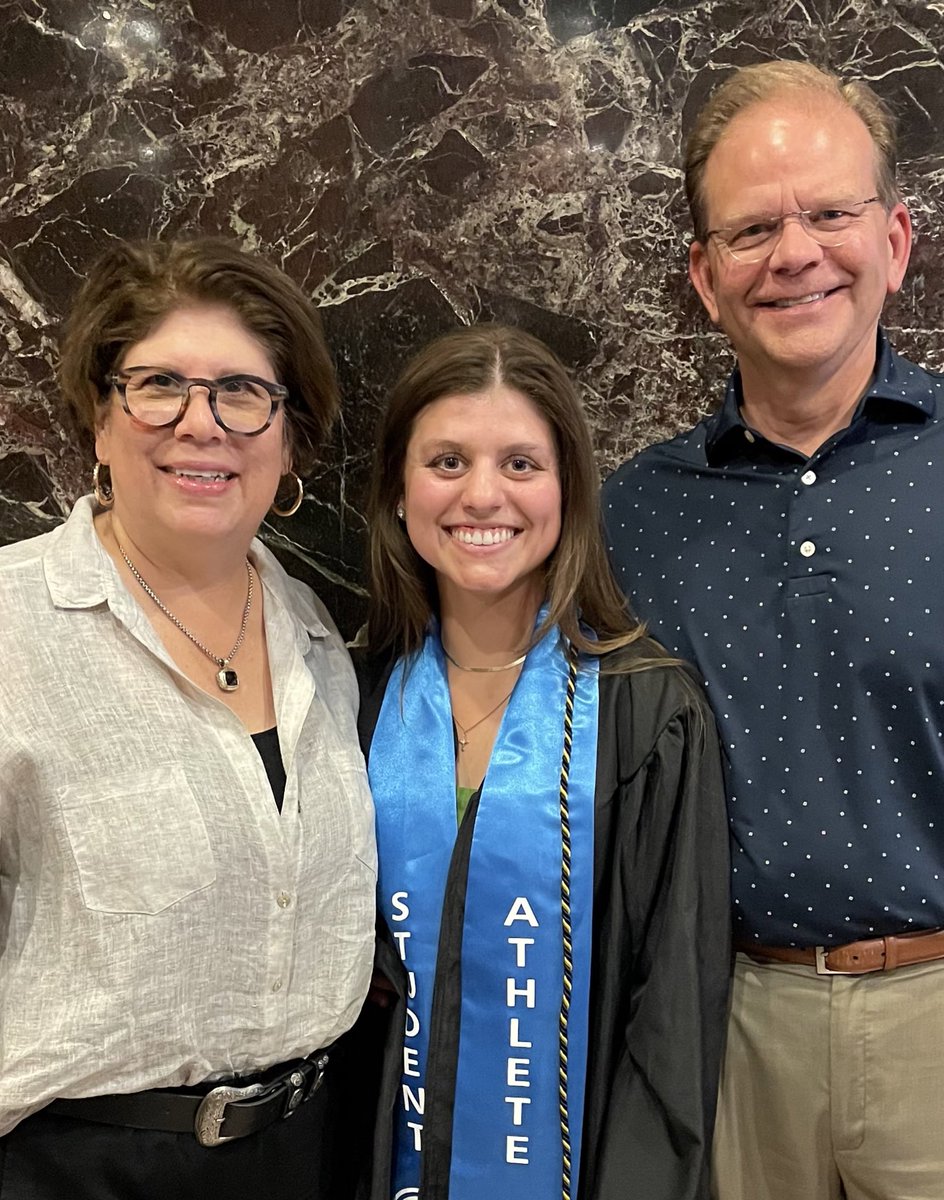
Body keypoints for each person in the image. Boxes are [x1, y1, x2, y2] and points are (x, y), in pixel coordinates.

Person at [603, 59, 944, 1200]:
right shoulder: (629, 516)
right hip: (728, 1032)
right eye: (750, 228)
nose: (794, 252)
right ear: (702, 273)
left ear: (895, 240)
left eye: (830, 213)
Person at [0, 238, 375, 1199]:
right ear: (98, 416)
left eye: (242, 392)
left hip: (310, 1152)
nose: (200, 424)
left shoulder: (315, 636)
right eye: (159, 384)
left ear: (289, 438)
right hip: (78, 1165)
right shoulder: (12, 629)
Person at [350, 324, 731, 1200]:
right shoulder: (350, 699)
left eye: (521, 464)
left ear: (567, 493)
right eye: (447, 461)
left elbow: (670, 1021)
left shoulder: (646, 714)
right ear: (399, 493)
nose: (483, 496)